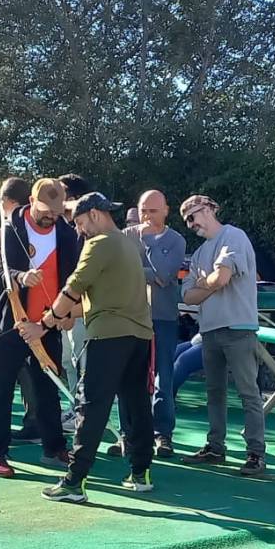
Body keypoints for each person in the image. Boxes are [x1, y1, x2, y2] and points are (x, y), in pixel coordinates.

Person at [25, 192, 155, 503]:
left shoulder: (99, 244)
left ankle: (74, 481)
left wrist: (44, 324)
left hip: (108, 337)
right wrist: (65, 315)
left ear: (95, 214)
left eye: (80, 222)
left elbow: (74, 287)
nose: (79, 230)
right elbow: (103, 295)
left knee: (91, 406)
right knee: (137, 405)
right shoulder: (127, 244)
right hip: (140, 336)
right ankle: (141, 473)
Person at [0, 178, 77, 477]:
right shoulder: (10, 229)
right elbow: (0, 272)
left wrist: (67, 311)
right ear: (31, 202)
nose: (51, 216)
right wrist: (21, 277)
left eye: (56, 211)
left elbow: (73, 276)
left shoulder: (66, 234)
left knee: (47, 388)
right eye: (45, 210)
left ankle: (54, 447)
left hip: (46, 324)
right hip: (9, 324)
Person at [179, 195, 267, 476]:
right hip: (210, 330)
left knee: (248, 392)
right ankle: (215, 446)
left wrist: (206, 284)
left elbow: (222, 278)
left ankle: (256, 453)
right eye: (186, 220)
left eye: (192, 216)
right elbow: (188, 296)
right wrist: (212, 283)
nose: (190, 224)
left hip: (239, 328)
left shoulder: (233, 236)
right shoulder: (200, 253)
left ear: (208, 209)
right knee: (214, 392)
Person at [120, 190, 185, 457]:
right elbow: (119, 271)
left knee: (163, 377)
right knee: (127, 376)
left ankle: (162, 434)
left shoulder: (176, 240)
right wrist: (147, 274)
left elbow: (164, 274)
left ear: (166, 210)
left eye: (153, 211)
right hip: (130, 316)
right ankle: (128, 434)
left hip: (163, 318)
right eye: (143, 210)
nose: (147, 216)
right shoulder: (125, 236)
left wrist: (148, 241)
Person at [57, 173, 94, 430]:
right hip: (67, 306)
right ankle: (74, 407)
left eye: (60, 195)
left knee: (84, 363)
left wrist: (74, 308)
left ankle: (86, 413)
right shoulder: (64, 229)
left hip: (85, 309)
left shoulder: (90, 232)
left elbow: (86, 275)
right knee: (68, 360)